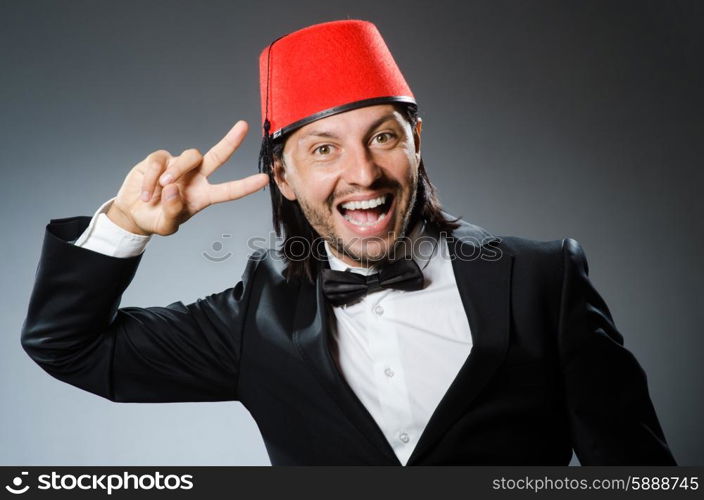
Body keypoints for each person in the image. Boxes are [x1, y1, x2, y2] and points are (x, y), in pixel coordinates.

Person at [21, 19, 676, 466]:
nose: (361, 173)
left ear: (417, 140)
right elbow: (68, 346)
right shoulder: (257, 316)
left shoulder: (541, 278)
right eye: (324, 148)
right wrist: (126, 226)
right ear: (283, 174)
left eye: (383, 137)